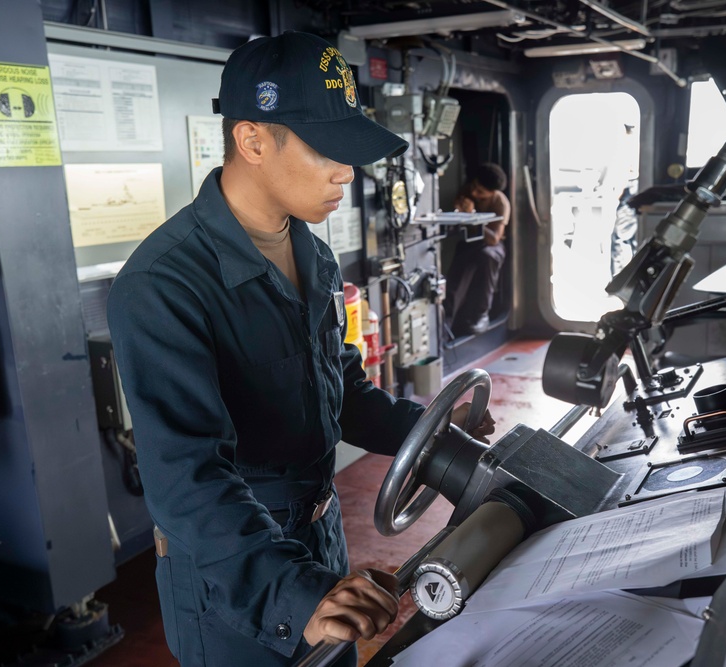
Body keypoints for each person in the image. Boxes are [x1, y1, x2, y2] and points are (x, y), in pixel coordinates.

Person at [107, 32, 490, 667]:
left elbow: (341, 391)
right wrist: (294, 595)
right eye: (327, 150)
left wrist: (433, 432)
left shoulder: (309, 251)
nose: (348, 170)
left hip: (319, 540)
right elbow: (188, 482)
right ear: (252, 141)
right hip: (234, 576)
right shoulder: (162, 286)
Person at [444, 162, 511, 335]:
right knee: (454, 285)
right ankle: (445, 325)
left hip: (491, 245)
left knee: (488, 256)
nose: (474, 193)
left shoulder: (500, 203)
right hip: (469, 242)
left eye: (480, 192)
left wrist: (472, 216)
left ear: (492, 192)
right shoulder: (467, 191)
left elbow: (494, 238)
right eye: (474, 187)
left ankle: (481, 315)